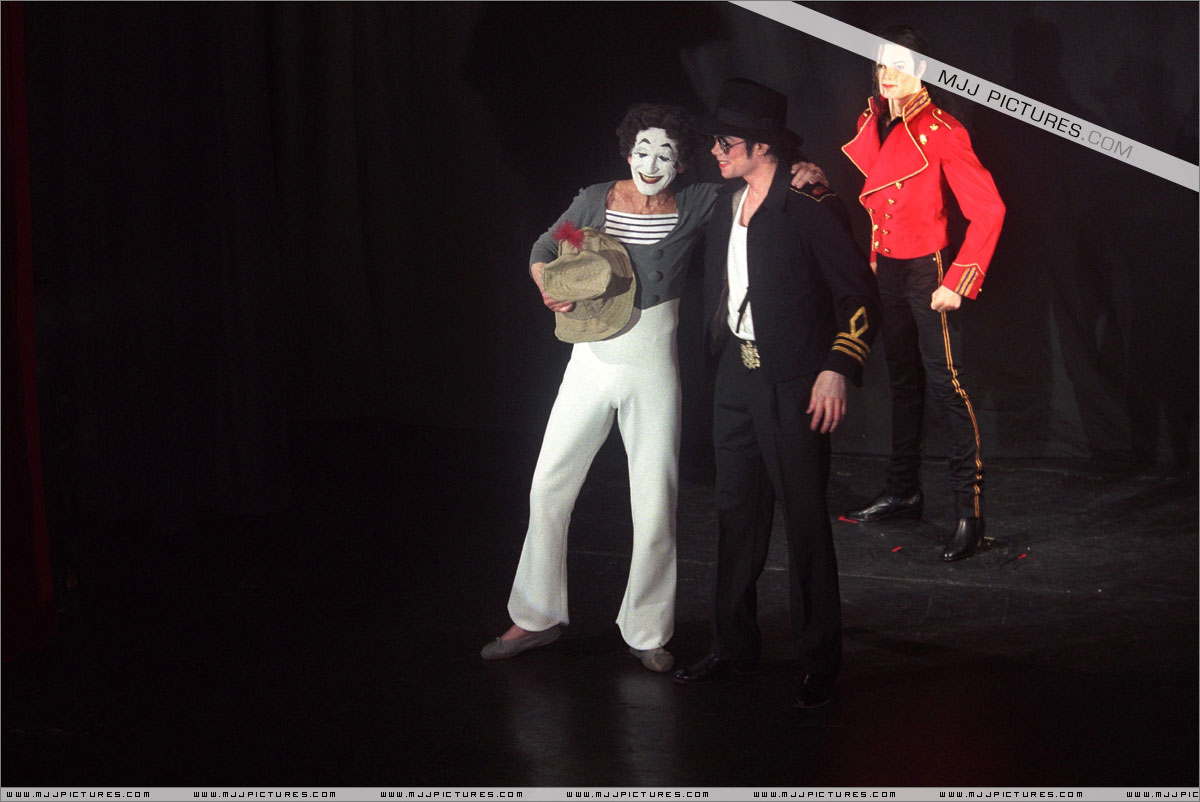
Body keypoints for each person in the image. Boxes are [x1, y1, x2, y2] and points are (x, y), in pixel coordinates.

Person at [481, 104, 823, 673]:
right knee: (548, 485)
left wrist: (801, 170)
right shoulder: (594, 201)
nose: (651, 162)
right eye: (642, 150)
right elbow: (548, 244)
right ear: (627, 151)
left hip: (653, 368)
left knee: (655, 498)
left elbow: (757, 183)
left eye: (666, 153)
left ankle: (645, 630)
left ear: (682, 162)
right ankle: (535, 616)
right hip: (590, 361)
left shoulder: (698, 203)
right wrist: (547, 282)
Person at [671, 78, 879, 709]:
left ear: (762, 145)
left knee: (805, 520)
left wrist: (837, 366)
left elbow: (858, 294)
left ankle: (820, 660)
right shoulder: (723, 202)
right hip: (735, 375)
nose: (715, 151)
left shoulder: (810, 205)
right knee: (735, 513)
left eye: (725, 142)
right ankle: (733, 645)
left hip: (795, 381)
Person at [839, 26, 1005, 561]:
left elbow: (990, 210)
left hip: (928, 271)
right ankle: (903, 491)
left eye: (900, 65)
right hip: (887, 268)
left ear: (923, 72)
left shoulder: (943, 131)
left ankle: (969, 513)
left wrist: (957, 281)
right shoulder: (874, 121)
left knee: (946, 385)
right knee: (902, 382)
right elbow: (880, 205)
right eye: (881, 64)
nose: (887, 75)